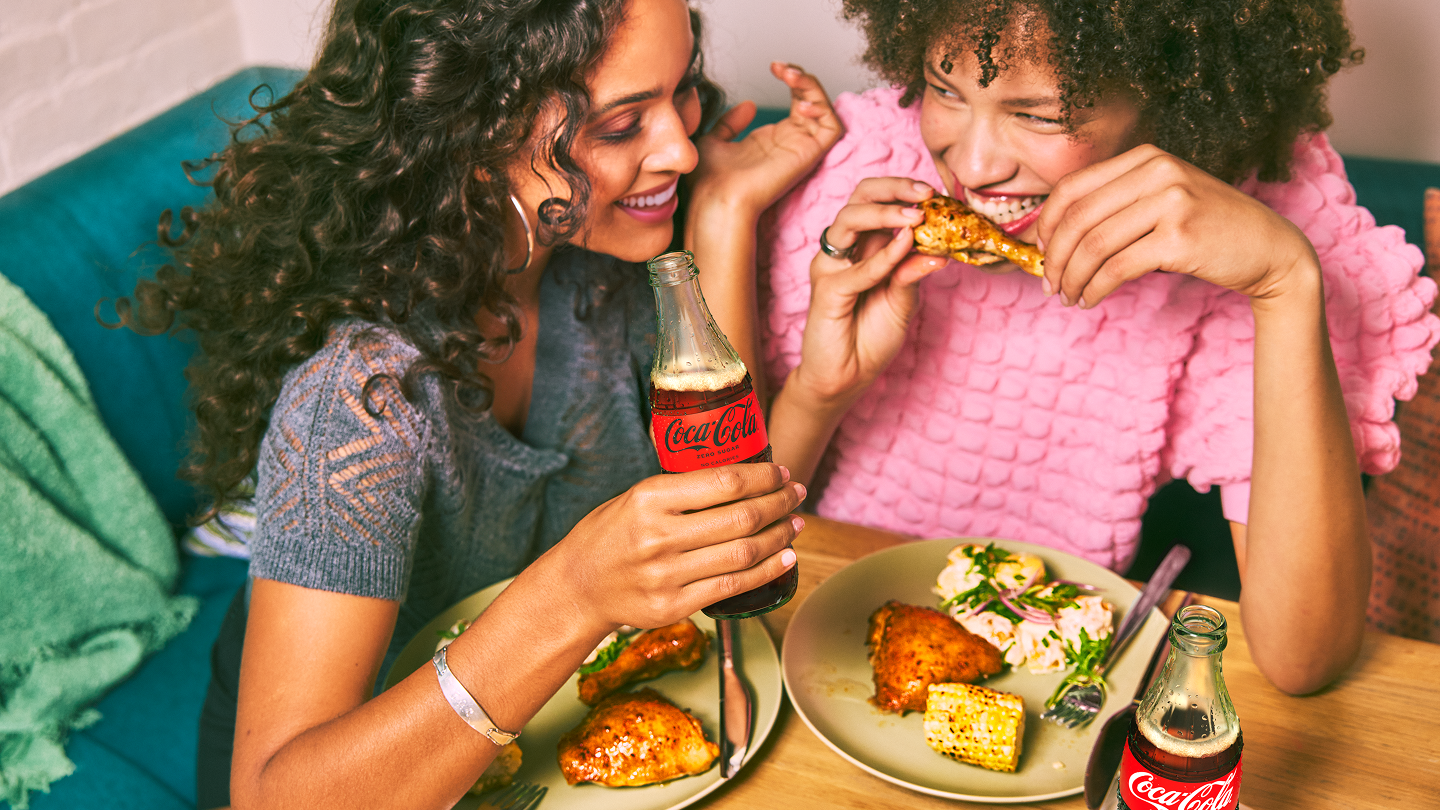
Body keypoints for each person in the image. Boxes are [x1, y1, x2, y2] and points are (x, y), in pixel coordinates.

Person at [113, 0, 841, 805]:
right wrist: (573, 594)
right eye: (621, 125)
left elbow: (726, 516)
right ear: (473, 141)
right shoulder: (361, 400)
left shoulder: (601, 267)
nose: (679, 146)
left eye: (680, 94)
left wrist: (728, 219)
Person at [729, 0, 1439, 695]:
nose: (972, 167)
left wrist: (1286, 279)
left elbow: (1304, 657)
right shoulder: (865, 175)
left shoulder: (1250, 233)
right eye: (945, 90)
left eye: (1039, 114)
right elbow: (731, 557)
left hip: (1055, 685)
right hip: (818, 645)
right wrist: (821, 390)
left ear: (1173, 101)